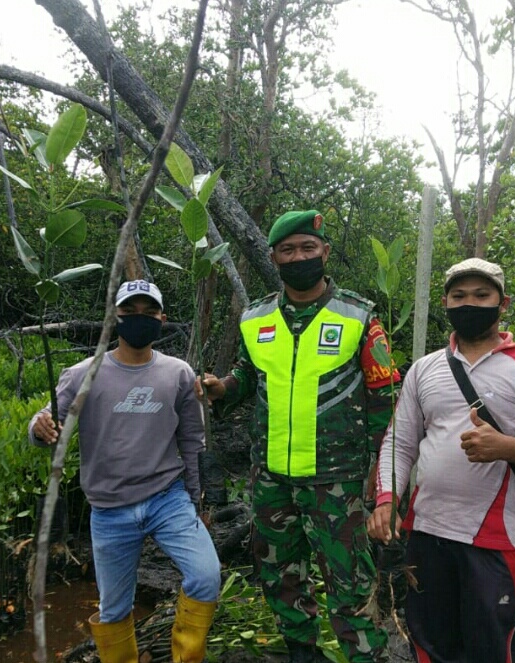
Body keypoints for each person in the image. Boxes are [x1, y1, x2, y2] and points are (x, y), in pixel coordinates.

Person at [200, 210, 399, 663]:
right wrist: (223, 388)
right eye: (288, 250)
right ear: (273, 258)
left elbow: (384, 399)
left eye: (308, 248)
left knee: (350, 585)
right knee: (279, 577)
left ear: (325, 253)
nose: (299, 257)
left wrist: (379, 471)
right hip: (271, 479)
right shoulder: (256, 318)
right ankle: (301, 653)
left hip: (338, 480)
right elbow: (248, 376)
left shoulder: (358, 316)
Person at [366, 258, 515, 663]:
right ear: (445, 302)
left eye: (482, 295)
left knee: (493, 651)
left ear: (503, 304)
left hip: (495, 541)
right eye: (459, 296)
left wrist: (509, 447)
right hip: (425, 534)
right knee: (430, 648)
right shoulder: (424, 369)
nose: (469, 303)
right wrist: (387, 499)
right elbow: (401, 440)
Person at [29, 279, 220, 663]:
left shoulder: (179, 373)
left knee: (206, 576)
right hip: (109, 508)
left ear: (162, 319)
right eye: (129, 312)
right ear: (114, 318)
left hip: (168, 498)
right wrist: (39, 427)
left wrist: (198, 499)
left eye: (149, 313)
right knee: (114, 609)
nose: (139, 319)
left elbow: (192, 441)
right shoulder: (84, 373)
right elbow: (48, 421)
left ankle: (187, 656)